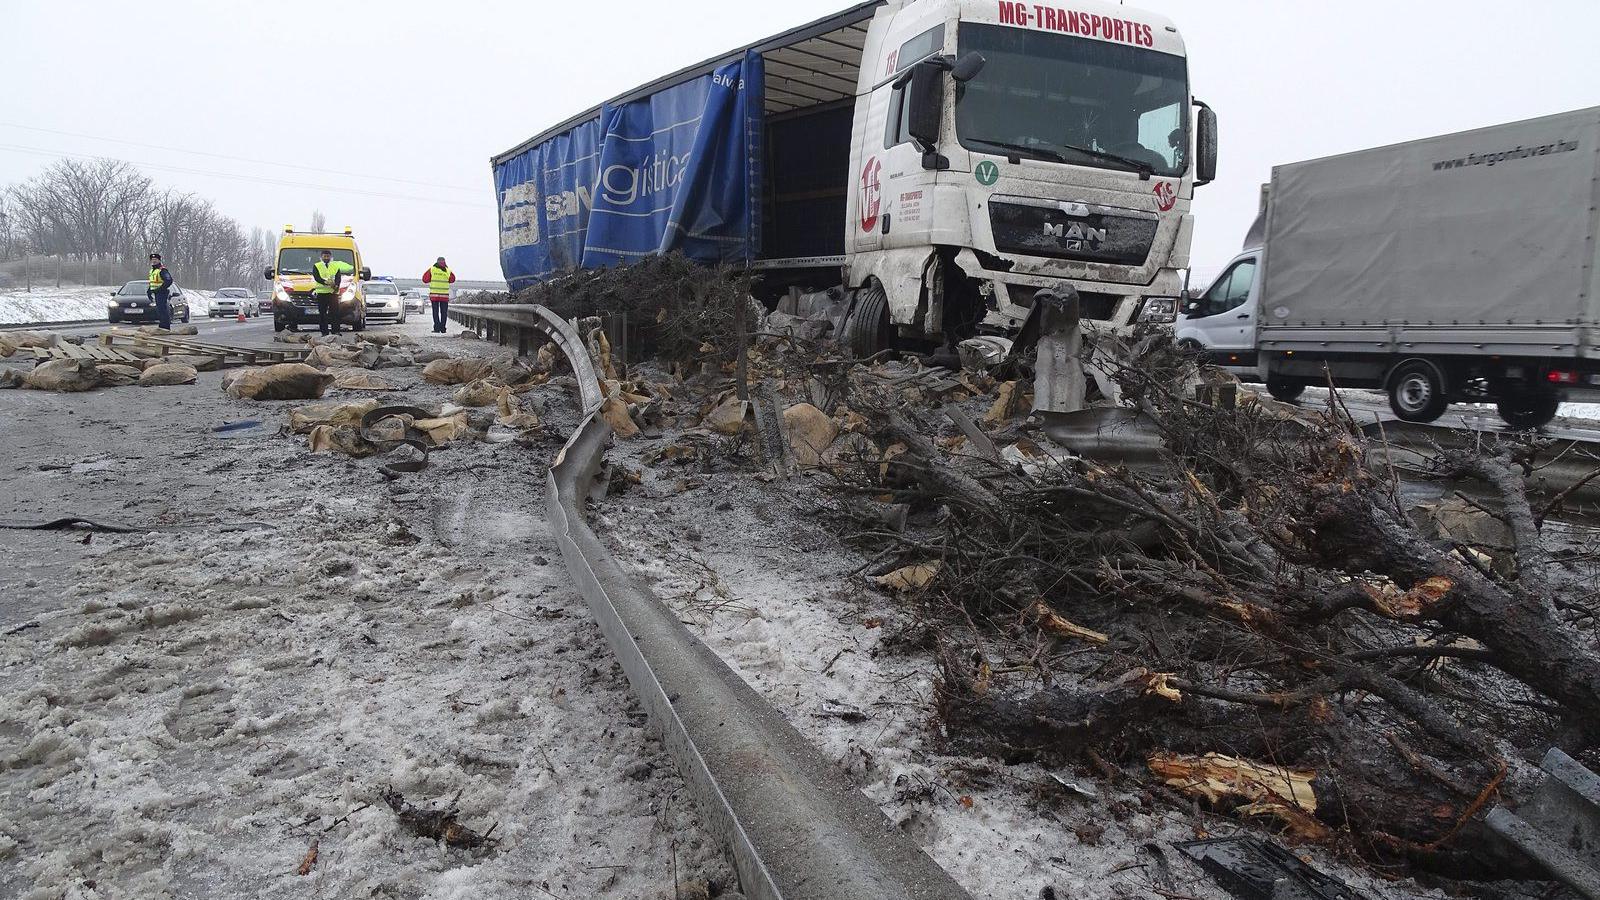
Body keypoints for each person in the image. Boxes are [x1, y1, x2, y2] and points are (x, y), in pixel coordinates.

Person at [311, 250, 354, 335]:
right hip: (321, 293)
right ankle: (324, 332)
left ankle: (336, 331)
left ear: (330, 257)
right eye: (324, 256)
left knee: (335, 313)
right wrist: (326, 283)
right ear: (321, 257)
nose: (326, 258)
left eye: (328, 256)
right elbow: (317, 277)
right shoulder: (316, 266)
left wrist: (336, 285)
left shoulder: (335, 266)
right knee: (322, 314)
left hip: (333, 293)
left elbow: (338, 277)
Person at [423, 256, 456, 333]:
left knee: (435, 312)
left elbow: (425, 279)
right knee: (444, 312)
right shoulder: (448, 270)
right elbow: (452, 279)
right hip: (444, 296)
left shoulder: (432, 269)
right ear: (444, 262)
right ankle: (443, 328)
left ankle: (437, 328)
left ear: (437, 261)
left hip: (434, 296)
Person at [147, 253, 174, 330]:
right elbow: (152, 282)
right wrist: (149, 290)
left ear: (159, 260)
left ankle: (165, 326)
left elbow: (168, 280)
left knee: (162, 309)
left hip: (162, 292)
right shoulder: (152, 270)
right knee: (159, 310)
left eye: (155, 260)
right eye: (152, 260)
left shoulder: (162, 270)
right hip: (156, 292)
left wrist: (160, 289)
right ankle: (162, 325)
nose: (154, 261)